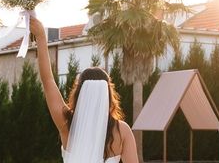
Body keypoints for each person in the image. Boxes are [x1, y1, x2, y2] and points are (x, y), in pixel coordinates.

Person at [30, 16, 139, 163]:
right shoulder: (122, 131)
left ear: (79, 93)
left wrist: (41, 36)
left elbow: (48, 81)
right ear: (108, 94)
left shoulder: (67, 124)